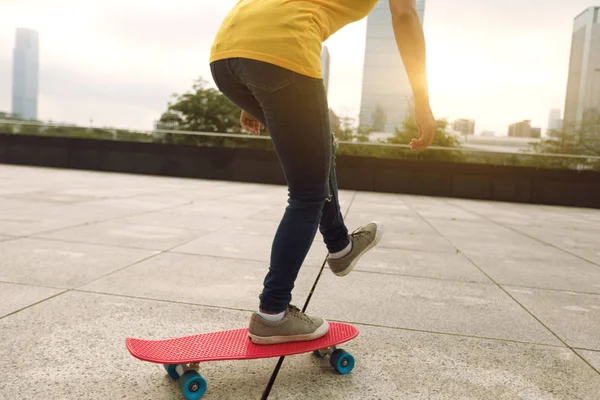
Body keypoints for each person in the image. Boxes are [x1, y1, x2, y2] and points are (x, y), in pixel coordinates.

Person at [210, 0, 436, 345]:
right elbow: (404, 14)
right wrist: (421, 100)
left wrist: (251, 93)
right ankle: (273, 314)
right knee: (306, 195)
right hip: (281, 51)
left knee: (320, 145)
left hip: (226, 54)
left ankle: (340, 247)